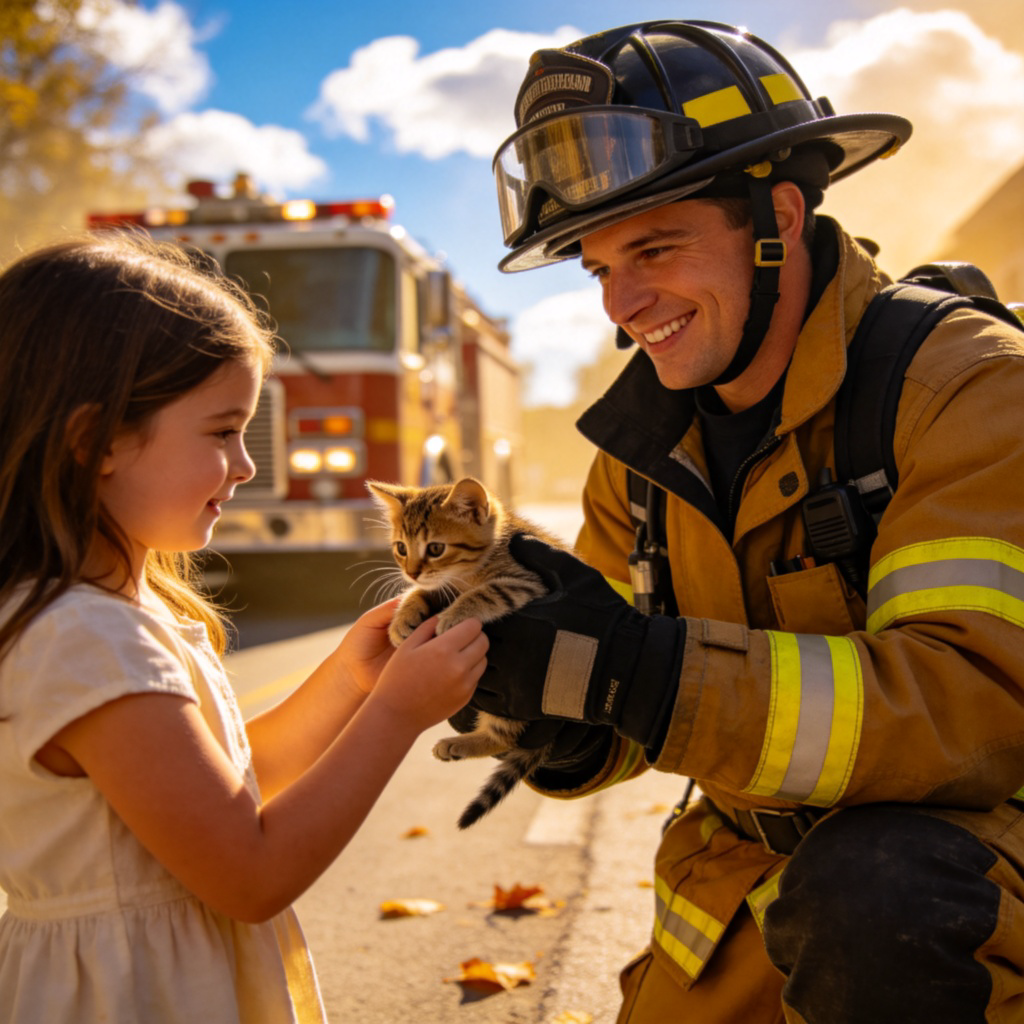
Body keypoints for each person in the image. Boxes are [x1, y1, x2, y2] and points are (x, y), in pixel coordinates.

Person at [470, 19, 1024, 1023]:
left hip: (969, 908)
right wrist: (555, 717)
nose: (622, 304)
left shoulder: (964, 386)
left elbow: (968, 707)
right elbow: (631, 698)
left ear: (777, 214)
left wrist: (644, 670)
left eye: (655, 246)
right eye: (597, 267)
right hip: (741, 918)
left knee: (879, 884)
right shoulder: (638, 455)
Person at [0, 234, 488, 1023]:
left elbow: (224, 785)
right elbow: (249, 874)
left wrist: (351, 683)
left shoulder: (117, 613)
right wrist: (399, 713)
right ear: (97, 442)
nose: (249, 464)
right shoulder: (84, 639)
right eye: (223, 432)